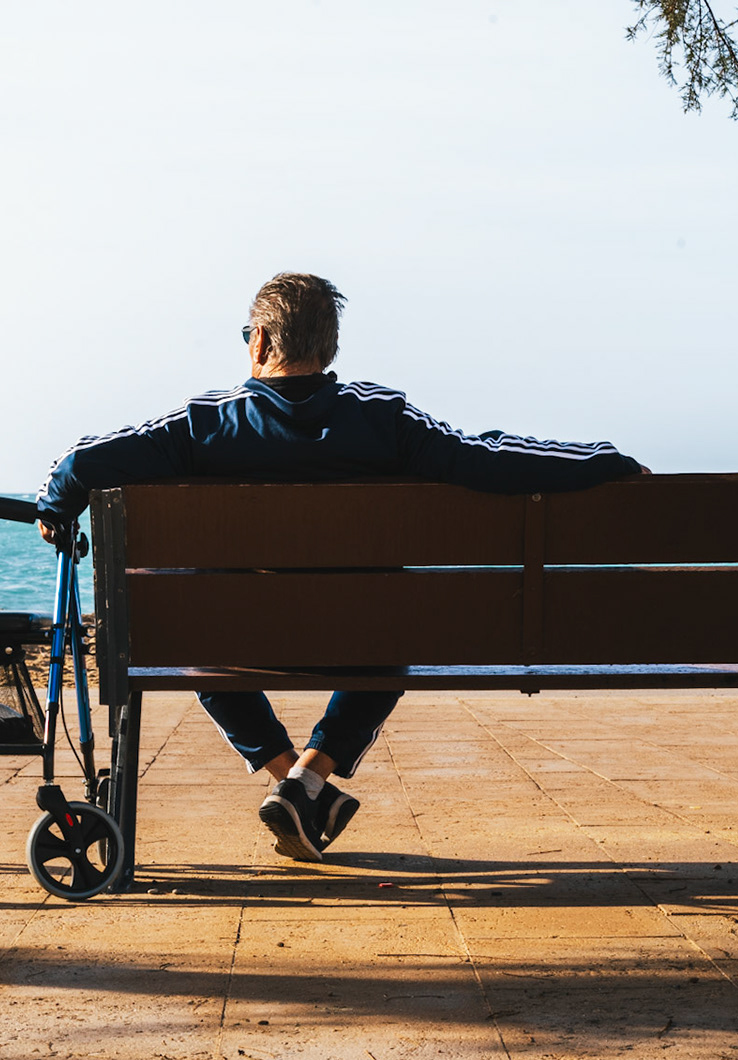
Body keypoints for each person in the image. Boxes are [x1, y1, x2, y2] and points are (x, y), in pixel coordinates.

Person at [35, 273, 642, 862]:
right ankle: (306, 781)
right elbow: (487, 458)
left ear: (262, 342)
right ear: (330, 350)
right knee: (393, 628)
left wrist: (55, 504)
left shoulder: (204, 424)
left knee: (196, 632)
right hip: (364, 641)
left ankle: (291, 778)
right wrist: (598, 459)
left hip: (239, 642)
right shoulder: (385, 419)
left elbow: (85, 462)